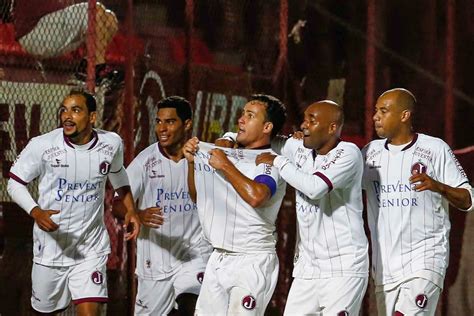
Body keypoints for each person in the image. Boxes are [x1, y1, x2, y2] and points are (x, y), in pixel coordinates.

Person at [7, 90, 140, 315]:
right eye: (64, 110)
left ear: (92, 117)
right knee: (43, 312)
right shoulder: (43, 146)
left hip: (90, 248)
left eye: (76, 110)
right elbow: (15, 183)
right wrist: (36, 211)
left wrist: (131, 210)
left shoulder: (111, 143)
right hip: (51, 248)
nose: (67, 116)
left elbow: (118, 175)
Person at [362, 88, 474, 315]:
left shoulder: (435, 149)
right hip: (385, 267)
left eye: (383, 111)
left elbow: (467, 199)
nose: (375, 117)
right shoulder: (368, 154)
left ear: (404, 115)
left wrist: (438, 186)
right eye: (375, 111)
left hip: (425, 260)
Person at [255, 100, 369, 315]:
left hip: (343, 268)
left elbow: (315, 188)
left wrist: (278, 162)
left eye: (312, 120)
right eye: (304, 119)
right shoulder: (299, 149)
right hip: (307, 269)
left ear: (332, 127)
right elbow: (263, 139)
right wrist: (229, 139)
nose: (304, 125)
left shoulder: (348, 153)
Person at [183, 94, 287, 315]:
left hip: (252, 260)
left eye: (250, 116)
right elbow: (197, 196)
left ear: (267, 126)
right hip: (218, 257)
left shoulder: (269, 161)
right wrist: (192, 164)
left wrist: (226, 165)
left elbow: (258, 196)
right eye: (242, 114)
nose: (241, 120)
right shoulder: (225, 154)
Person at [113, 96, 212, 315]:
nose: (162, 128)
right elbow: (117, 204)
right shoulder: (144, 162)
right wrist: (135, 212)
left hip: (194, 255)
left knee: (192, 307)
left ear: (187, 124)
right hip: (155, 264)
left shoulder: (202, 158)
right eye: (158, 121)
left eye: (170, 122)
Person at [12, 0, 121, 85]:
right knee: (95, 9)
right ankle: (95, 69)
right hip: (35, 30)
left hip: (54, 29)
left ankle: (85, 70)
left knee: (110, 19)